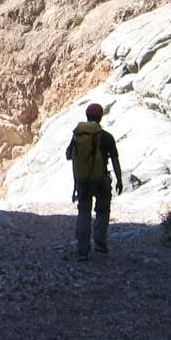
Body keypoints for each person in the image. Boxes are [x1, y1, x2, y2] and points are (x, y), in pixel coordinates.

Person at [65, 102, 122, 260]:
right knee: (102, 211)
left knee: (84, 212)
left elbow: (68, 155)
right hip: (101, 179)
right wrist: (119, 179)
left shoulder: (78, 135)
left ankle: (83, 250)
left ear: (87, 116)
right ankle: (100, 244)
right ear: (100, 117)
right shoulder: (107, 137)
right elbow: (115, 159)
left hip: (83, 180)